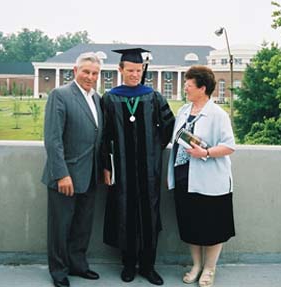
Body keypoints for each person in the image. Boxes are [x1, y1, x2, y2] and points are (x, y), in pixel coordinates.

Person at [101, 48, 175, 286]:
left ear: (143, 70)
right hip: (121, 169)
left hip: (148, 171)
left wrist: (153, 149)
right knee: (125, 214)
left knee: (149, 215)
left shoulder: (153, 97)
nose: (134, 74)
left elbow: (168, 125)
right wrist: (106, 164)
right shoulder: (110, 98)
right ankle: (129, 265)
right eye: (130, 70)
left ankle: (148, 267)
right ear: (120, 70)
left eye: (138, 70)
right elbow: (104, 134)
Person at [167, 65, 236, 287]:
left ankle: (209, 268)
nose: (185, 88)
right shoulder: (184, 111)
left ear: (202, 88)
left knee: (212, 227)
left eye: (188, 85)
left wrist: (205, 153)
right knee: (191, 225)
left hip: (210, 180)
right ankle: (196, 265)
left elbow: (229, 146)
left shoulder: (218, 115)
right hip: (184, 178)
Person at [41, 52, 103, 287]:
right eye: (86, 71)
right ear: (75, 71)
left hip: (90, 176)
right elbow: (53, 139)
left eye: (94, 73)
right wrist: (61, 174)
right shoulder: (60, 95)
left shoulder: (97, 98)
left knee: (82, 226)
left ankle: (78, 265)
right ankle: (58, 271)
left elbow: (98, 137)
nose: (90, 76)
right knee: (60, 227)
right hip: (65, 176)